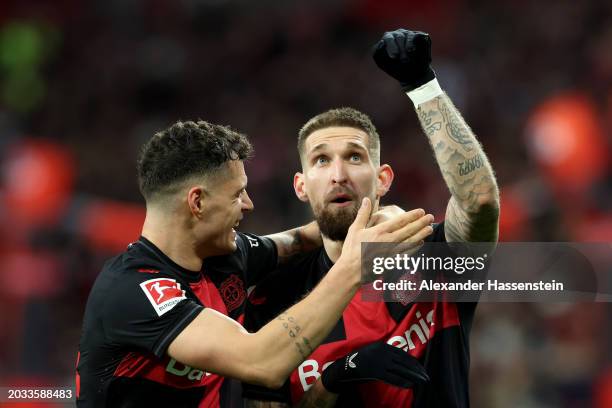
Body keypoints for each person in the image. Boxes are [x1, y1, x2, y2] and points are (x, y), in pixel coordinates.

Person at [75, 119, 432, 407]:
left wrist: (381, 217)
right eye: (237, 194)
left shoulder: (227, 256)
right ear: (197, 202)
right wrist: (354, 268)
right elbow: (261, 362)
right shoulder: (132, 291)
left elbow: (311, 235)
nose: (249, 204)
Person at [242, 28, 500, 407]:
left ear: (383, 180)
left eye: (355, 156)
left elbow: (479, 200)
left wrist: (422, 87)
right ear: (301, 186)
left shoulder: (434, 258)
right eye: (321, 160)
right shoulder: (271, 297)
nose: (339, 174)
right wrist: (334, 378)